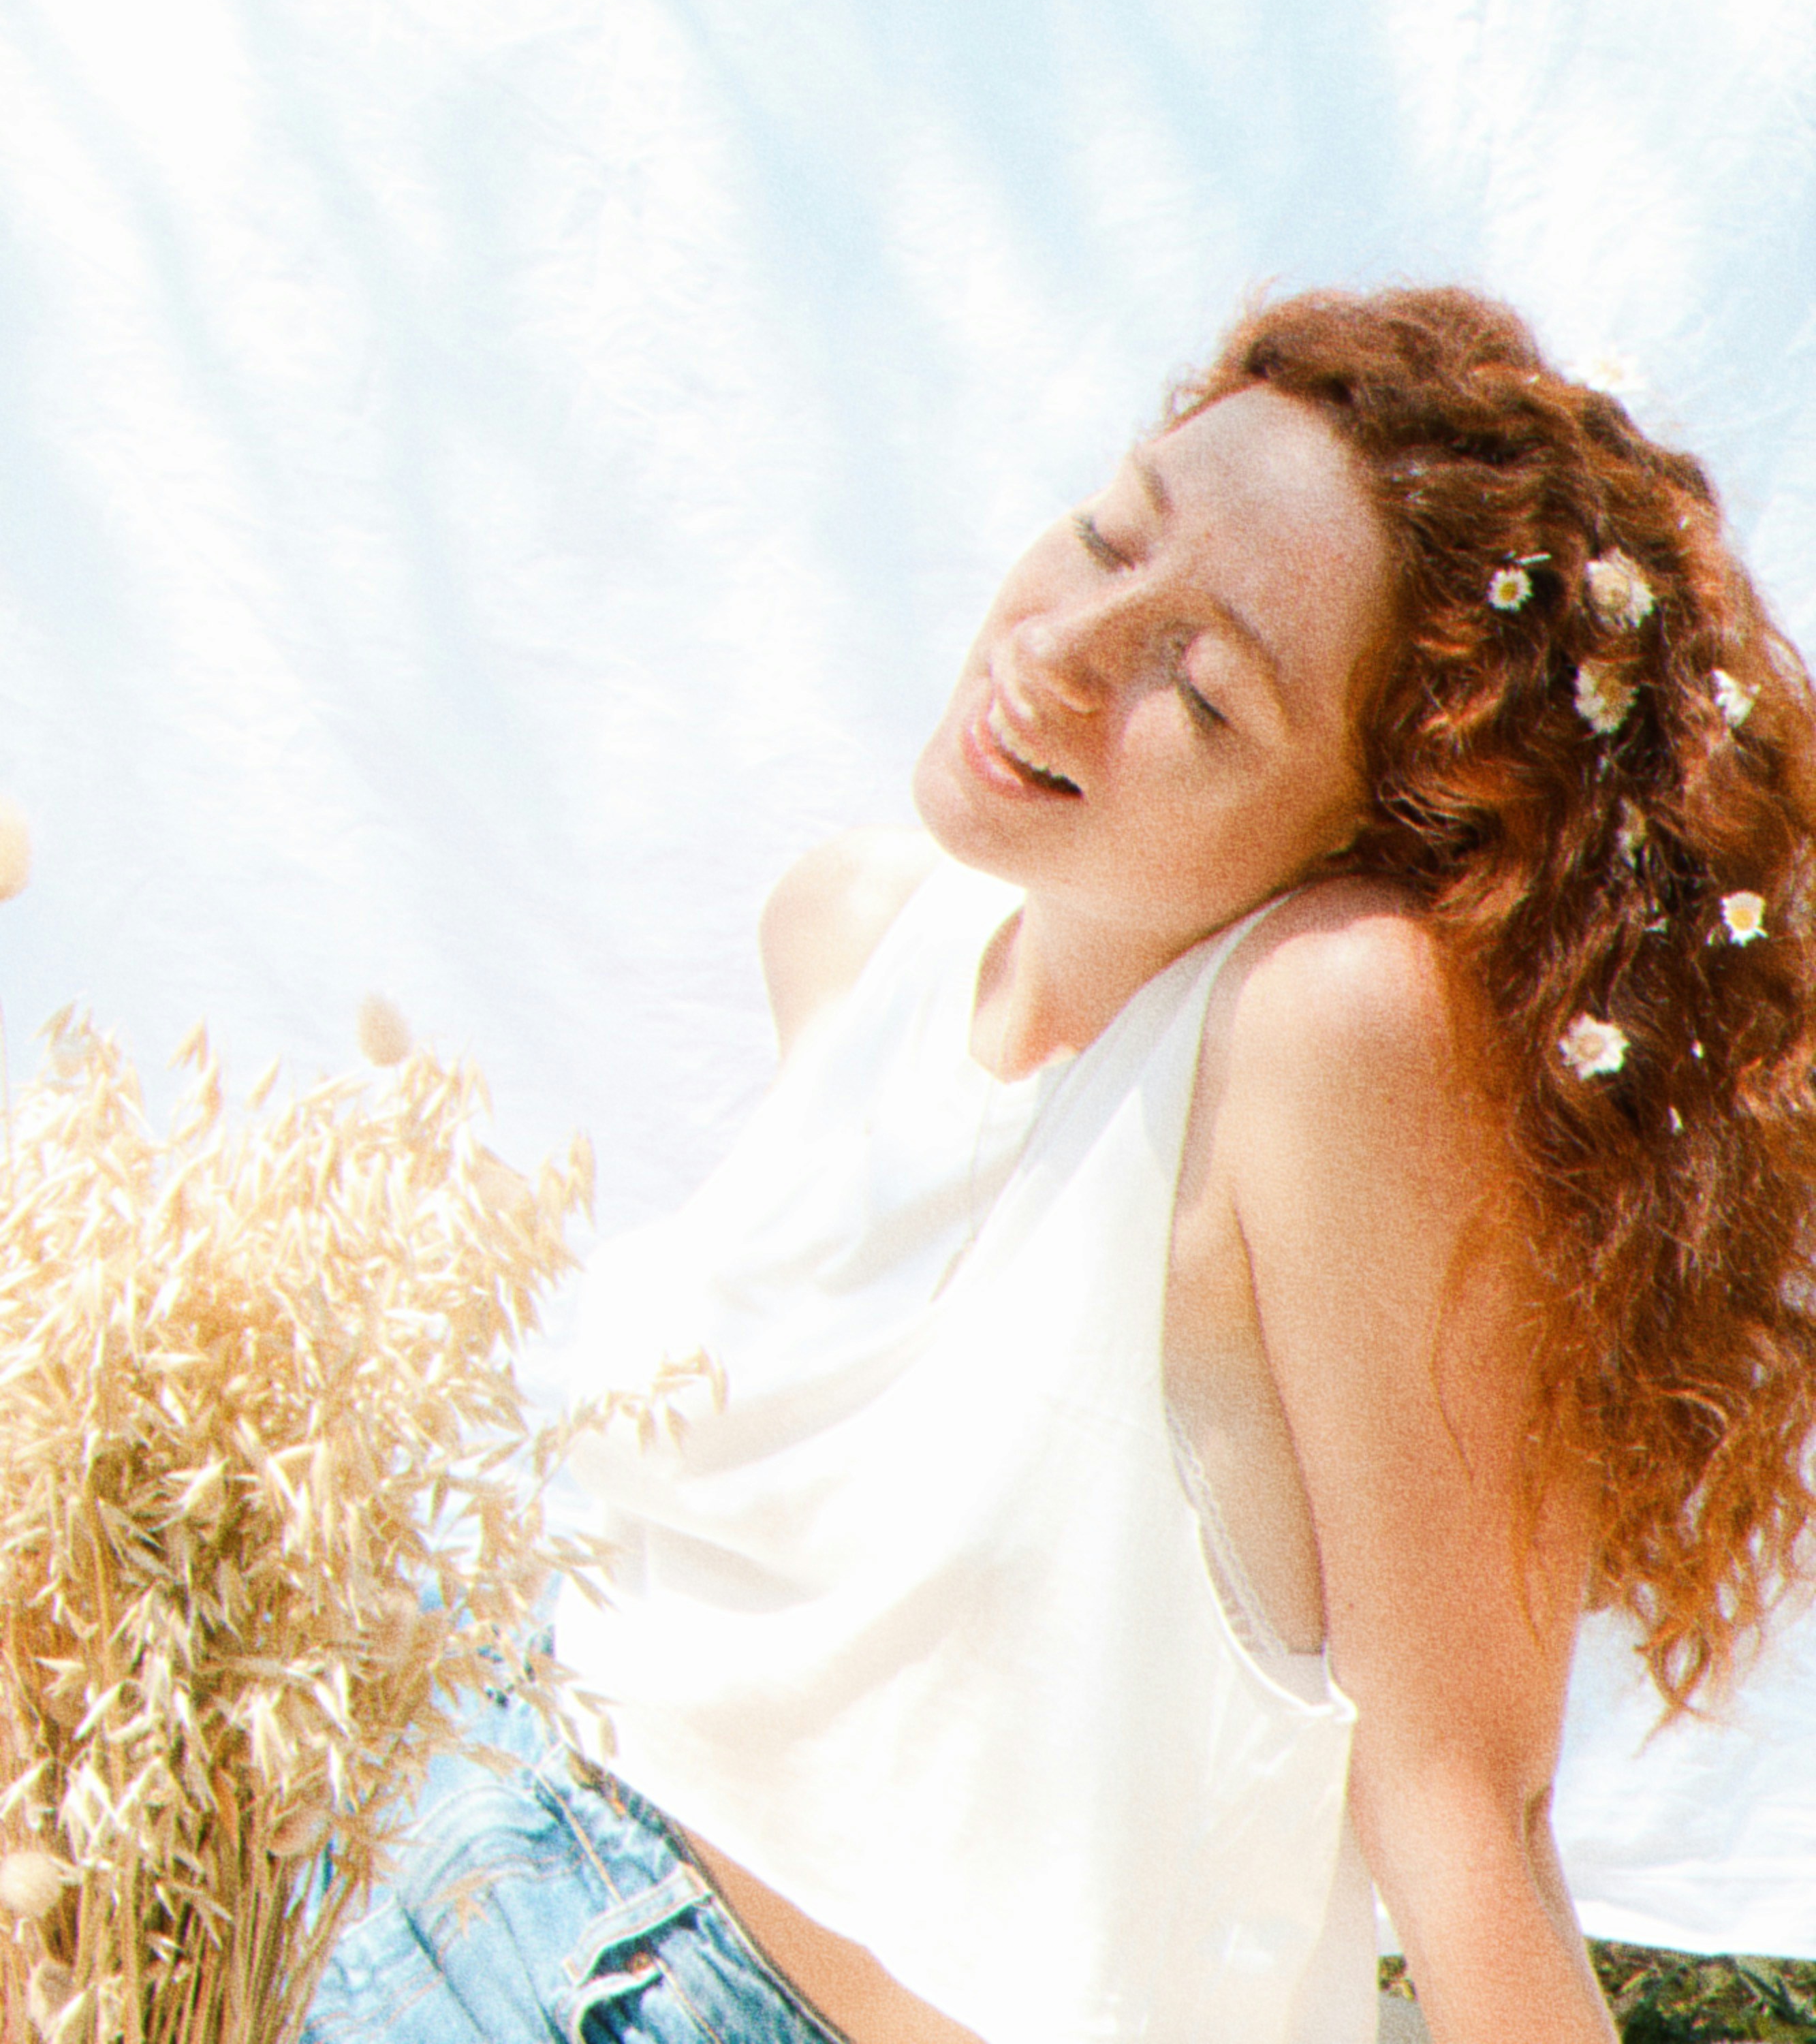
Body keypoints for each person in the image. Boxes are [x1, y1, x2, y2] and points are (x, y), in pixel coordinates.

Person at [304, 285, 1816, 2044]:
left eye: (1205, 689)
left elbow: (1464, 1805)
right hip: (389, 1823)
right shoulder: (853, 928)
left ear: (1379, 837)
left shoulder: (1331, 1028)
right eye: (1110, 531)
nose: (1065, 650)